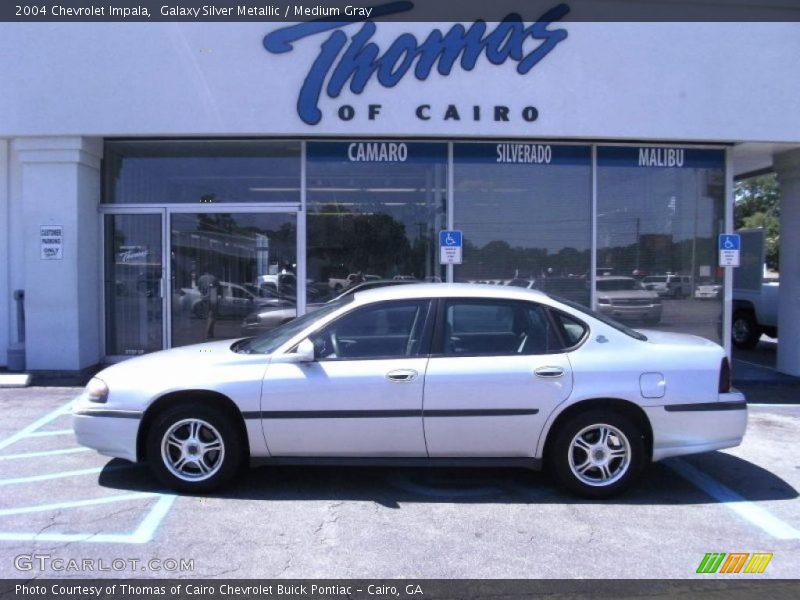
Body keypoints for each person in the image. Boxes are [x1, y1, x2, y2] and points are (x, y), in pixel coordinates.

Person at [197, 268, 220, 340]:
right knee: (213, 315)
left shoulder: (201, 278)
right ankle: (209, 332)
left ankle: (210, 332)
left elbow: (199, 288)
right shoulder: (214, 278)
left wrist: (203, 293)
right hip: (213, 294)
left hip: (204, 297)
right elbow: (218, 288)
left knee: (207, 315)